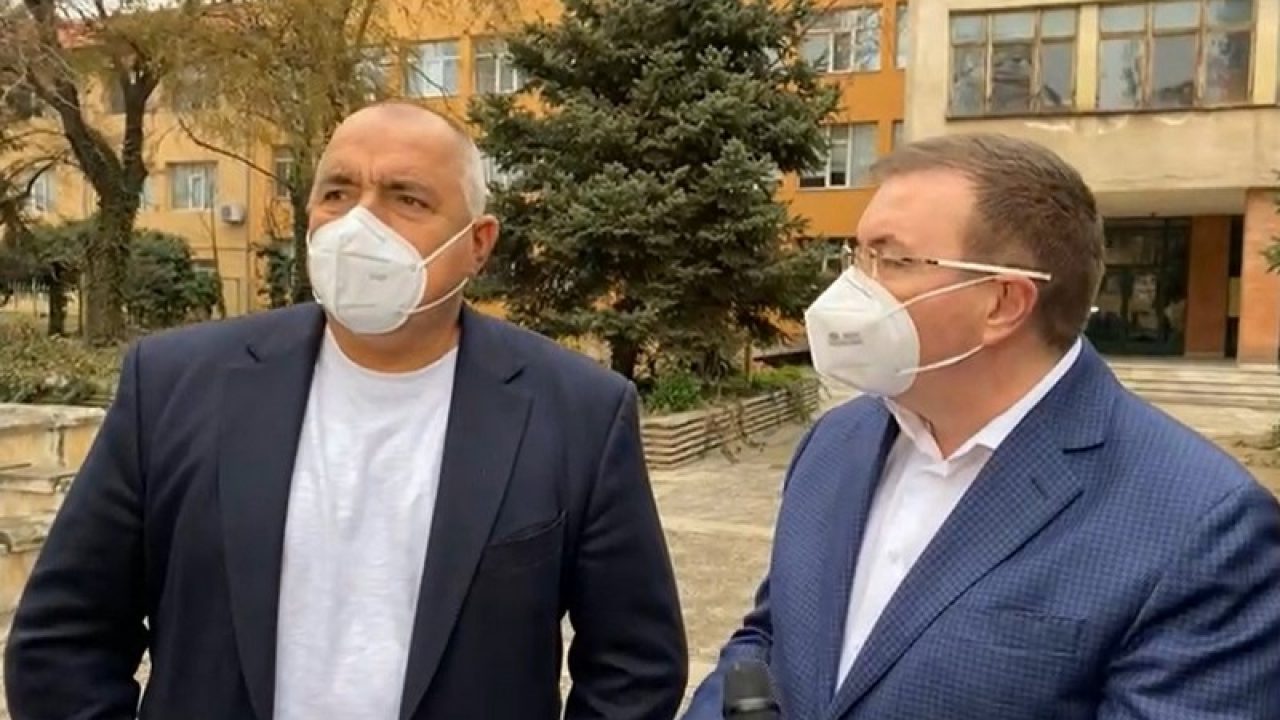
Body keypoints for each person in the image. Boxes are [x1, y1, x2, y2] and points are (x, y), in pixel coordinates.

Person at [5, 102, 688, 720]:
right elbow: (65, 638)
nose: (359, 223)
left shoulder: (578, 413)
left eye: (406, 198)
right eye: (337, 192)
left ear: (477, 243)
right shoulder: (175, 386)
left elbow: (634, 668)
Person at [684, 133, 1280, 719]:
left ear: (1003, 302)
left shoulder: (1203, 528)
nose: (854, 288)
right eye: (858, 256)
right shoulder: (836, 441)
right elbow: (767, 641)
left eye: (892, 260)